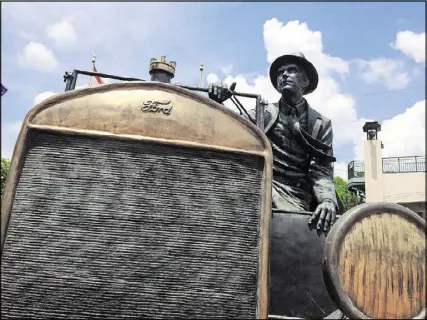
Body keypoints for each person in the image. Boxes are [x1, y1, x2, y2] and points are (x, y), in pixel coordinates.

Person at [208, 52, 340, 232]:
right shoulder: (263, 113)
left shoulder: (320, 124)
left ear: (305, 81)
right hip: (263, 185)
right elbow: (230, 132)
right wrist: (218, 103)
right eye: (280, 72)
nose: (284, 75)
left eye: (291, 70)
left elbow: (321, 170)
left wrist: (327, 200)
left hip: (297, 196)